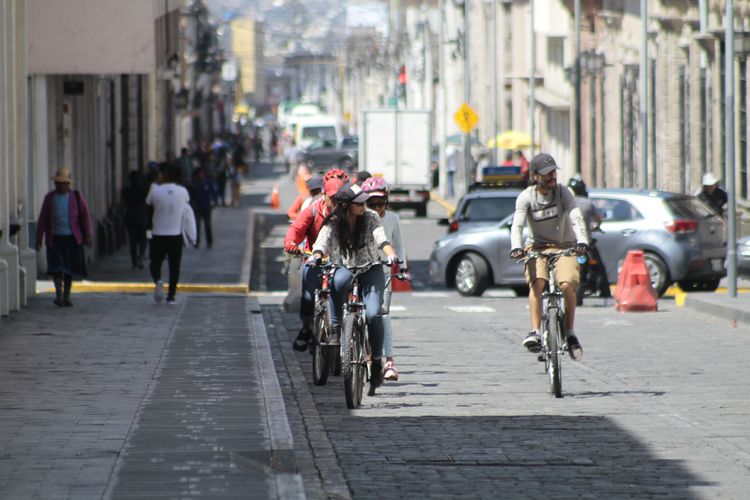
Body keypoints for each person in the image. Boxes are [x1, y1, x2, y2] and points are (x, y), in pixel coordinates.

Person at [310, 183, 400, 392]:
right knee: (337, 282)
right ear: (345, 205)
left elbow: (381, 238)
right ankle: (334, 328)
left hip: (371, 268)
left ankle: (376, 361)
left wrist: (390, 253)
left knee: (374, 314)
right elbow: (321, 242)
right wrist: (316, 255)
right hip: (345, 267)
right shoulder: (333, 222)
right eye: (359, 203)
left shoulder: (370, 218)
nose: (364, 205)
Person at [508, 153, 590, 360]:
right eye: (547, 173)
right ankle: (535, 332)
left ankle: (570, 333)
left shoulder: (564, 193)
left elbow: (575, 216)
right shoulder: (526, 197)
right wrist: (516, 247)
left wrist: (582, 240)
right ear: (535, 176)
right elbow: (517, 225)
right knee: (537, 282)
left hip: (564, 247)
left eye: (554, 172)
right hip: (537, 248)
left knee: (566, 284)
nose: (552, 176)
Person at [283, 169, 349, 351]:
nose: (336, 203)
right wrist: (291, 242)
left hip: (343, 262)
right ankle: (306, 327)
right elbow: (296, 228)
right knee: (307, 291)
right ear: (323, 195)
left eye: (341, 198)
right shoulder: (313, 210)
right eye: (333, 198)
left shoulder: (352, 212)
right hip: (316, 259)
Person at [360, 176, 408, 381]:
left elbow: (399, 243)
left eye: (380, 203)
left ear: (387, 201)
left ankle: (389, 361)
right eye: (371, 204)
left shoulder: (393, 219)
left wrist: (403, 266)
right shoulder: (358, 218)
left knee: (382, 315)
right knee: (356, 312)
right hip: (359, 270)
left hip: (383, 270)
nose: (377, 208)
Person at [36, 167, 93, 307]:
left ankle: (66, 296)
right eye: (58, 183)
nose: (61, 185)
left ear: (68, 184)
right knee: (57, 268)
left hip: (72, 239)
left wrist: (88, 235)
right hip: (55, 238)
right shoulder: (50, 198)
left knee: (69, 269)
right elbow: (43, 218)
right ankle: (59, 296)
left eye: (63, 183)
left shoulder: (76, 197)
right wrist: (39, 237)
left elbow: (85, 217)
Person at [146, 165, 191, 304]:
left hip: (158, 233)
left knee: (155, 263)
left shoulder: (155, 192)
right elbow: (186, 209)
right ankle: (171, 297)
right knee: (174, 266)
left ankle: (158, 280)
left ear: (164, 176)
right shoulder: (183, 191)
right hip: (175, 234)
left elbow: (147, 209)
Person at [567, 175, 611, 299]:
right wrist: (595, 227)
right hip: (585, 243)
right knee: (599, 267)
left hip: (568, 242)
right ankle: (604, 291)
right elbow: (598, 220)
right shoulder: (588, 203)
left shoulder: (566, 203)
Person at [121, 170, 148, 270]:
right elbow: (147, 204)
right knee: (143, 239)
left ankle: (134, 263)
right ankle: (141, 255)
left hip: (130, 217)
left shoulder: (126, 191)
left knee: (132, 241)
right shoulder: (144, 190)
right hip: (142, 217)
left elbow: (123, 204)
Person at [192, 167, 217, 248]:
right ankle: (196, 241)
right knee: (197, 225)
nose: (200, 175)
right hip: (198, 206)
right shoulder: (195, 184)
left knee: (208, 225)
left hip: (207, 206)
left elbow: (214, 192)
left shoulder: (208, 182)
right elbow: (192, 196)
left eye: (202, 173)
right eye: (199, 174)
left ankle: (209, 242)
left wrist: (214, 201)